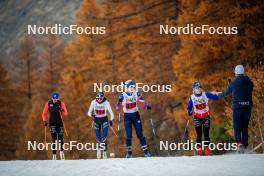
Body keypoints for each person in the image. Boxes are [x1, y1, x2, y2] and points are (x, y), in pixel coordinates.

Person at [218, 65, 253, 153]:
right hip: (247, 107)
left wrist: (218, 95)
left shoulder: (234, 82)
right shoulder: (249, 81)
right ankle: (245, 145)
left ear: (236, 72)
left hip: (237, 107)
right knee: (245, 127)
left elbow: (226, 93)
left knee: (237, 127)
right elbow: (250, 88)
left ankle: (239, 144)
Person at [116, 80, 151, 158]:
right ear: (127, 88)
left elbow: (142, 101)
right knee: (128, 135)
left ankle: (146, 152)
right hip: (127, 117)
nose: (133, 88)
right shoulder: (123, 95)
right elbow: (117, 105)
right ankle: (129, 153)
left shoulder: (136, 93)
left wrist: (146, 106)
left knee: (140, 134)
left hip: (136, 116)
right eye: (131, 87)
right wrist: (119, 102)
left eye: (134, 87)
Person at [187, 82, 219, 155]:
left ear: (201, 88)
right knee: (199, 133)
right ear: (193, 90)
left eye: (199, 88)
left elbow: (216, 98)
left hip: (206, 116)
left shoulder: (205, 94)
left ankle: (207, 149)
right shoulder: (192, 97)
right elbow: (189, 106)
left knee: (206, 133)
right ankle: (199, 149)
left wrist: (218, 94)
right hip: (197, 117)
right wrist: (189, 111)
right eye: (196, 88)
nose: (198, 90)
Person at [87, 91, 114, 159]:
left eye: (101, 98)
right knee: (98, 137)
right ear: (96, 97)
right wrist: (92, 114)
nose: (99, 99)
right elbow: (89, 112)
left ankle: (104, 151)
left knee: (104, 136)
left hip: (104, 119)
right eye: (98, 98)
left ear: (103, 97)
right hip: (96, 119)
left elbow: (112, 113)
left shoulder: (106, 102)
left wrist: (111, 120)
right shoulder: (93, 102)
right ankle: (98, 150)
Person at [42, 91, 68, 160]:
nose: (55, 100)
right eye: (54, 99)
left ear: (58, 98)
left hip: (60, 123)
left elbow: (66, 113)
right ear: (51, 98)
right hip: (52, 123)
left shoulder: (61, 103)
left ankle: (62, 153)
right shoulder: (48, 103)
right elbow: (44, 113)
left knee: (61, 139)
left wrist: (62, 110)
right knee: (54, 139)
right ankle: (54, 155)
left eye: (56, 99)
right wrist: (44, 120)